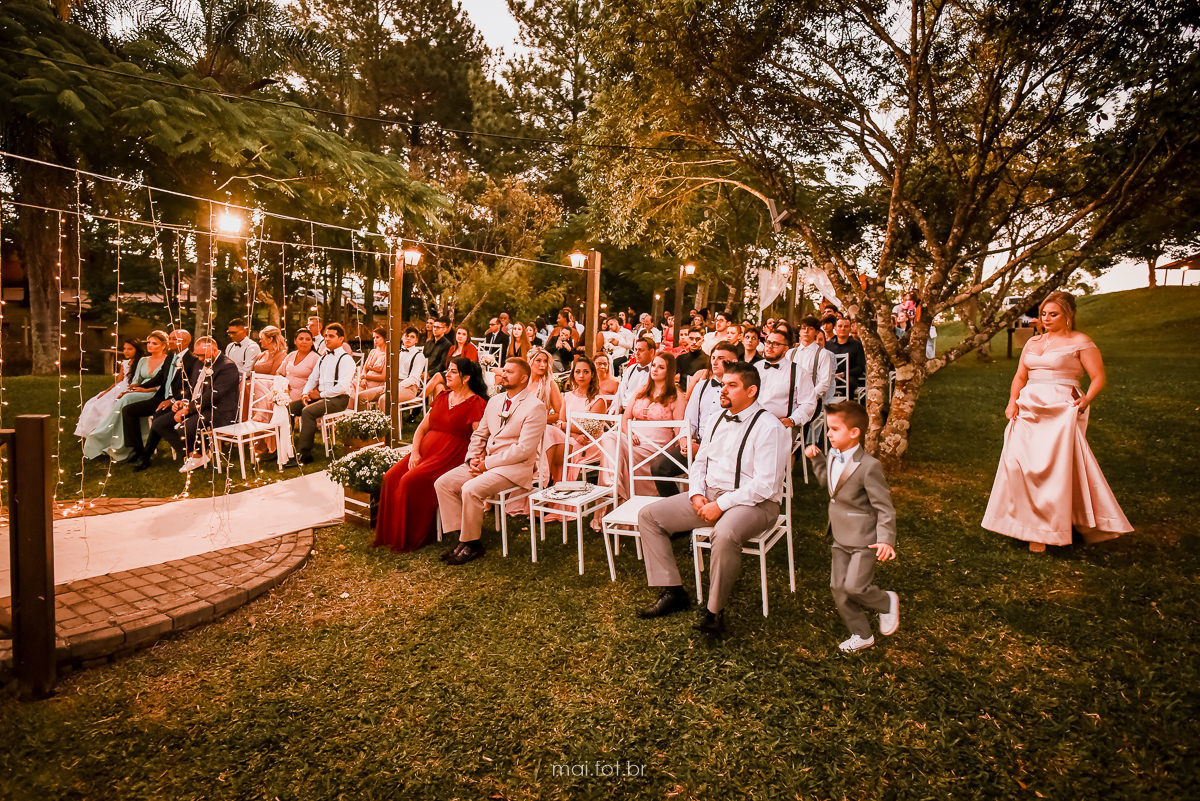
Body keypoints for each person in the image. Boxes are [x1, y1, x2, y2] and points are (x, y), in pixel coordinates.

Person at [635, 361, 789, 635]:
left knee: (725, 534)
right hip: (710, 496)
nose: (723, 390)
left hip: (756, 504)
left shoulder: (770, 427)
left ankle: (714, 612)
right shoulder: (717, 418)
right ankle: (673, 591)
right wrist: (696, 494)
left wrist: (720, 505)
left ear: (751, 391)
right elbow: (700, 462)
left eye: (732, 386)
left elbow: (765, 485)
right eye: (723, 384)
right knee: (649, 517)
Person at [982, 291, 1132, 552]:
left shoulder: (1081, 341)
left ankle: (1048, 530)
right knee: (1018, 464)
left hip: (1062, 408)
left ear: (1068, 316)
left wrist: (1086, 400)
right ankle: (1025, 523)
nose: (1047, 318)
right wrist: (1011, 402)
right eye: (1043, 314)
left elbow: (1098, 377)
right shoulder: (1033, 343)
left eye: (1054, 314)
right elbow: (1020, 377)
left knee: (1053, 468)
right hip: (1028, 408)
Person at [804, 401, 900, 653]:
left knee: (855, 587)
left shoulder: (869, 467)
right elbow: (830, 486)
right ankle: (862, 634)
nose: (828, 434)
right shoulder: (834, 457)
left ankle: (886, 601)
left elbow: (884, 506)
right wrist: (818, 461)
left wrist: (886, 538)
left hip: (864, 539)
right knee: (838, 588)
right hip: (839, 536)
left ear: (854, 432)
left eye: (834, 429)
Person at [434, 358, 548, 565]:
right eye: (504, 370)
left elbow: (524, 450)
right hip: (485, 463)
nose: (503, 374)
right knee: (443, 483)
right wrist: (473, 459)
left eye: (509, 372)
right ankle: (464, 537)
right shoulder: (495, 401)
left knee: (470, 489)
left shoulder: (535, 407)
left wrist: (488, 463)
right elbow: (480, 434)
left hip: (514, 468)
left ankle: (472, 544)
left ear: (523, 378)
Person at [373, 358, 489, 552]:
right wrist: (414, 452)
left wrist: (479, 459)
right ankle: (393, 531)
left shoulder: (476, 403)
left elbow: (480, 437)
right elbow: (421, 428)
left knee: (409, 480)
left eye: (453, 371)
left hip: (450, 456)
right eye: (448, 370)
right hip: (424, 453)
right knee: (390, 476)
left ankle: (413, 534)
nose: (447, 374)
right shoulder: (443, 397)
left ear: (466, 377)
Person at [140, 336, 240, 473]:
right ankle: (194, 454)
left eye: (202, 355)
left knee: (184, 427)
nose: (199, 358)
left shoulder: (227, 366)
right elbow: (191, 388)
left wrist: (188, 410)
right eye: (197, 355)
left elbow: (212, 395)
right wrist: (182, 401)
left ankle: (197, 454)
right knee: (159, 423)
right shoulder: (200, 363)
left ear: (214, 349)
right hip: (198, 407)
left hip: (219, 411)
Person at [597, 352, 686, 505]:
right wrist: (629, 433)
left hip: (657, 447)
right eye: (654, 365)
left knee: (619, 453)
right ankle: (611, 484)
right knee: (609, 437)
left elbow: (680, 428)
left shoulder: (676, 396)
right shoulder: (641, 390)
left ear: (669, 371)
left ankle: (618, 493)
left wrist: (683, 445)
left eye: (661, 367)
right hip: (633, 440)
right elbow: (625, 418)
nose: (655, 369)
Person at [80, 336, 161, 460]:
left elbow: (164, 383)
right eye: (149, 342)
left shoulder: (168, 360)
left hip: (156, 392)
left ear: (164, 345)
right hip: (136, 389)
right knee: (99, 402)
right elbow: (135, 380)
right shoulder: (144, 360)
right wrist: (128, 390)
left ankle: (108, 434)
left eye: (154, 343)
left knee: (125, 401)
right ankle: (106, 435)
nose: (150, 345)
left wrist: (142, 389)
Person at [121, 329, 195, 466]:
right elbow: (160, 377)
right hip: (161, 397)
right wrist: (141, 386)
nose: (170, 341)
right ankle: (137, 450)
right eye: (170, 338)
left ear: (184, 342)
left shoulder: (193, 360)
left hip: (177, 401)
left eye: (174, 339)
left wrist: (172, 400)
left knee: (158, 417)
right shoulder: (171, 357)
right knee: (128, 410)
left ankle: (145, 457)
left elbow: (191, 388)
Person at [288, 324, 356, 465]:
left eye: (331, 336)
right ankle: (288, 448)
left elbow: (342, 387)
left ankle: (304, 455)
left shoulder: (346, 360)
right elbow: (313, 378)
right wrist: (306, 393)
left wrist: (320, 395)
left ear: (341, 339)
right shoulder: (323, 358)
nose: (327, 339)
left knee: (308, 412)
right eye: (325, 336)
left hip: (338, 399)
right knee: (290, 408)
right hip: (322, 397)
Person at [76, 338, 142, 440]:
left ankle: (107, 435)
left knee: (109, 407)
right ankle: (93, 433)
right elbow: (119, 380)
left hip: (131, 387)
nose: (126, 351)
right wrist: (106, 391)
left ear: (136, 350)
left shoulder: (142, 362)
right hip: (121, 386)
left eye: (130, 349)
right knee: (93, 402)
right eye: (124, 349)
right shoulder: (125, 363)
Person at [756, 328, 818, 436]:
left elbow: (809, 402)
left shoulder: (798, 372)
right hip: (755, 422)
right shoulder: (755, 368)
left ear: (785, 349)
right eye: (768, 342)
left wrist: (793, 420)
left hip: (781, 425)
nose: (769, 347)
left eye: (775, 344)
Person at [792, 316, 834, 442]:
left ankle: (796, 455)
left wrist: (808, 398)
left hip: (812, 400)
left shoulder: (822, 354)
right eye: (803, 328)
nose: (805, 331)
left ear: (816, 332)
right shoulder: (791, 353)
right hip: (790, 398)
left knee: (797, 429)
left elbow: (824, 383)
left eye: (810, 329)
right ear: (799, 331)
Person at [528, 347, 567, 483]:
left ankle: (542, 478)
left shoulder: (549, 384)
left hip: (544, 427)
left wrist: (539, 420)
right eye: (538, 361)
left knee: (541, 435)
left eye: (545, 361)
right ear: (530, 361)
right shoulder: (523, 382)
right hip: (522, 426)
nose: (542, 365)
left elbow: (560, 414)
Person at [825, 317, 866, 399]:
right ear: (835, 328)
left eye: (846, 326)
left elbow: (860, 367)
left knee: (849, 384)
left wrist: (843, 374)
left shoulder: (857, 345)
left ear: (850, 328)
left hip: (849, 378)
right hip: (830, 378)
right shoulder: (828, 345)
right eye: (840, 326)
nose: (843, 328)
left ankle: (847, 409)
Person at [614, 336, 656, 412]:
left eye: (641, 350)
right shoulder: (631, 369)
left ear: (651, 352)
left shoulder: (655, 371)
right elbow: (621, 391)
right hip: (625, 409)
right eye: (636, 350)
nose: (637, 353)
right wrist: (616, 409)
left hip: (644, 412)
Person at [278, 329, 320, 403]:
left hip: (302, 395)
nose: (304, 342)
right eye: (301, 339)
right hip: (284, 391)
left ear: (312, 342)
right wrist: (283, 384)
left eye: (308, 339)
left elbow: (319, 380)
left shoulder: (315, 358)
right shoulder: (291, 355)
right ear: (295, 341)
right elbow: (279, 373)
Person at [390, 327, 428, 406]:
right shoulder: (397, 353)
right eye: (406, 336)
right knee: (362, 396)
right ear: (402, 337)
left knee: (385, 399)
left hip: (409, 388)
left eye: (412, 337)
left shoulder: (419, 356)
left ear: (416, 340)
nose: (408, 338)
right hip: (393, 384)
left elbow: (413, 379)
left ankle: (390, 419)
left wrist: (396, 386)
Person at [355, 328, 388, 407]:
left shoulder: (387, 355)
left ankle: (362, 416)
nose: (375, 340)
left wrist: (366, 376)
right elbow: (364, 369)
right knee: (350, 390)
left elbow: (383, 377)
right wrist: (363, 379)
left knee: (357, 395)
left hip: (377, 384)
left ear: (384, 338)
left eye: (377, 337)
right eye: (374, 338)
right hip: (365, 381)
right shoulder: (373, 351)